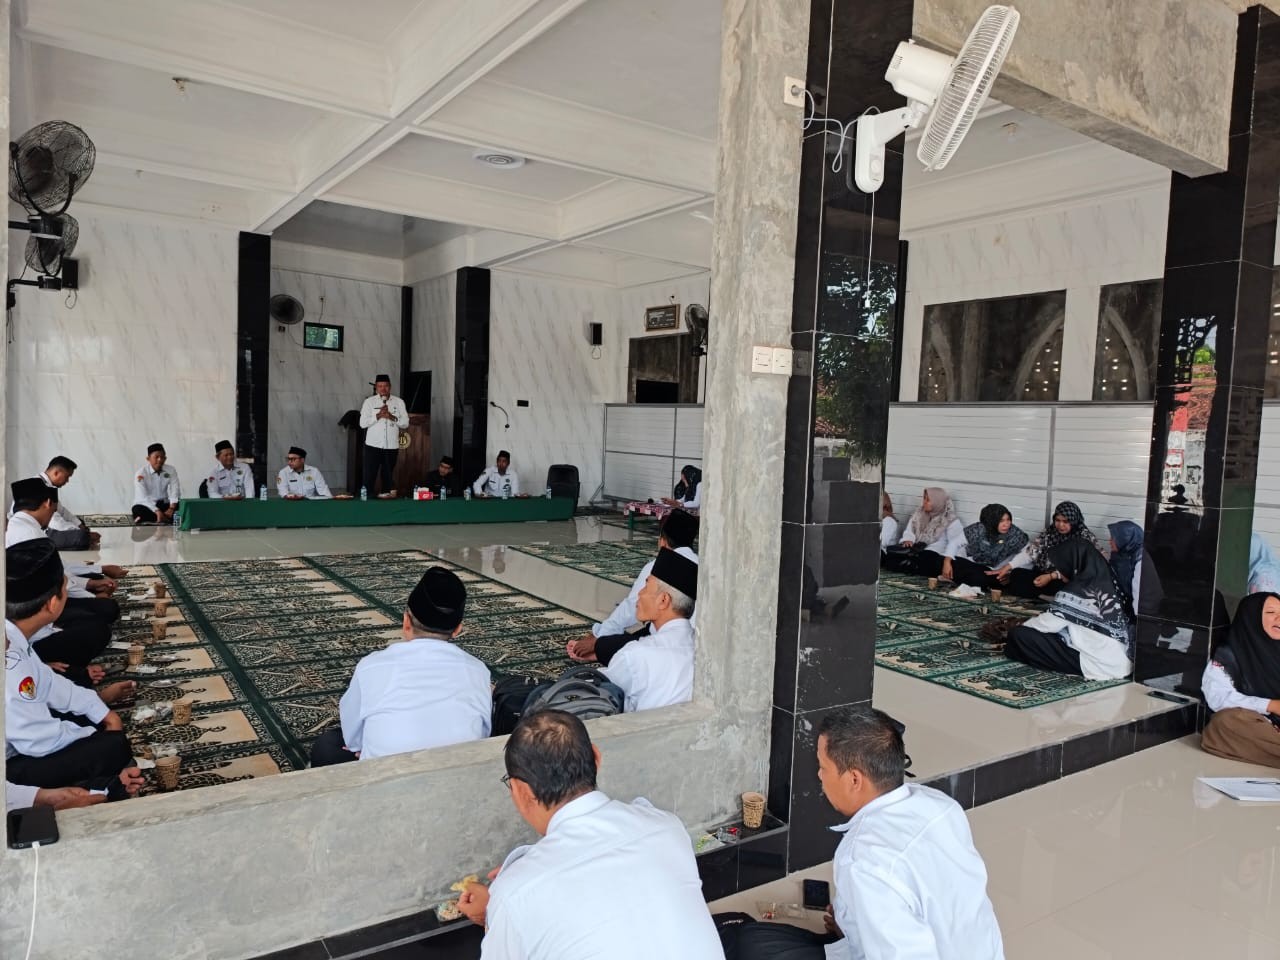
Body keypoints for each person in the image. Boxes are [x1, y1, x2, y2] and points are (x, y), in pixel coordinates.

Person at [730, 706, 1003, 960]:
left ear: (854, 779)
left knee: (751, 946)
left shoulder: (864, 860)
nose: (820, 776)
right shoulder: (940, 805)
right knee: (755, 937)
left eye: (823, 767)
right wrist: (851, 925)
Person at [456, 709, 724, 959]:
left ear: (522, 791)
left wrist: (493, 916)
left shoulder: (514, 894)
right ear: (596, 758)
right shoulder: (667, 827)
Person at [310, 567, 491, 766]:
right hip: (456, 779)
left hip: (383, 783)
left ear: (406, 622)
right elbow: (483, 734)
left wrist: (365, 746)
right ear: (458, 629)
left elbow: (353, 738)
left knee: (327, 746)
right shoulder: (478, 670)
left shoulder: (372, 666)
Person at [5, 540, 143, 799]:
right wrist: (93, 733)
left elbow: (50, 683)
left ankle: (100, 783)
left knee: (91, 719)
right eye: (66, 586)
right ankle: (98, 788)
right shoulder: (10, 660)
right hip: (10, 771)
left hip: (22, 737)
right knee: (112, 747)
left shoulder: (13, 637)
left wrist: (101, 712)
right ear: (53, 603)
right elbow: (37, 740)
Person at [566, 509, 698, 666]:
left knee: (617, 646)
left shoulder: (658, 568)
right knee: (641, 633)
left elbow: (630, 609)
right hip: (694, 640)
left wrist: (597, 639)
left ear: (662, 541)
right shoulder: (703, 566)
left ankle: (598, 652)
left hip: (671, 644)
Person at [1003, 540, 1132, 680]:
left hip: (1098, 664)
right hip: (1123, 662)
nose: (1060, 571)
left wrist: (1021, 625)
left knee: (1020, 635)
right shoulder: (1110, 582)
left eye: (1062, 566)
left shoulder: (1078, 590)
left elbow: (1047, 625)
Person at [599, 548, 698, 713]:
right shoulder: (706, 652)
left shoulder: (636, 655)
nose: (640, 593)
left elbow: (599, 693)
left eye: (646, 586)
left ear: (663, 600)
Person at [1201, 592, 1280, 768]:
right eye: (1270, 613)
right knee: (1226, 723)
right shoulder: (1229, 655)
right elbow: (1218, 698)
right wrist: (1271, 705)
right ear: (1251, 617)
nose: (1279, 618)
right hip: (1264, 726)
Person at [991, 500, 1103, 599]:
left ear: (1073, 521)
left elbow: (1083, 567)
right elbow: (1031, 552)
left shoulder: (1083, 537)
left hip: (1062, 578)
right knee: (1016, 575)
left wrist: (1051, 576)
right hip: (1043, 574)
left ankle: (1045, 596)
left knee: (1068, 587)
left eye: (1066, 521)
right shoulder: (1050, 532)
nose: (1060, 525)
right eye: (1058, 520)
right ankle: (1045, 597)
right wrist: (1008, 566)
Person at [879, 486, 964, 578]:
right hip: (916, 549)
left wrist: (949, 560)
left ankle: (913, 566)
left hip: (935, 552)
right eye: (924, 499)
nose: (924, 502)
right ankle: (912, 566)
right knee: (892, 559)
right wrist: (908, 540)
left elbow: (956, 542)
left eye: (928, 500)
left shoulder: (949, 520)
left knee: (926, 557)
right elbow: (909, 530)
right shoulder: (918, 514)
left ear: (937, 501)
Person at [19, 456, 99, 550]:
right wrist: (85, 534)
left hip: (44, 529)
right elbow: (54, 522)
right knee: (81, 537)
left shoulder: (47, 485)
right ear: (56, 472)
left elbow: (61, 511)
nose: (67, 481)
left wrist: (79, 525)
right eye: (67, 476)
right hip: (33, 535)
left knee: (80, 525)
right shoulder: (37, 486)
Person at [949, 503, 1030, 589]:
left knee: (980, 579)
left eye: (1008, 519)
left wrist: (1011, 572)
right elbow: (955, 543)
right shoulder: (978, 529)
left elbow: (1030, 554)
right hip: (974, 564)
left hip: (996, 572)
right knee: (947, 563)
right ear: (990, 522)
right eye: (1001, 521)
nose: (1006, 524)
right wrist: (947, 561)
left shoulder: (1014, 534)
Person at [359, 373, 409, 498]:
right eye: (380, 386)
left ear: (390, 387)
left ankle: (385, 503)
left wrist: (391, 417)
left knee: (387, 476)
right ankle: (367, 501)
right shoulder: (369, 402)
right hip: (373, 446)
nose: (383, 389)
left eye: (385, 386)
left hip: (391, 446)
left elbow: (405, 424)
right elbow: (362, 424)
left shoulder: (399, 402)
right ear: (376, 387)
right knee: (369, 475)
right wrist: (378, 416)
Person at [1107, 520, 1162, 618]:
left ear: (1124, 539)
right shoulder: (1122, 555)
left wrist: (1136, 621)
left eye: (1113, 538)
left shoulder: (1140, 561)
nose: (1109, 541)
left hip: (1143, 613)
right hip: (1127, 604)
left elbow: (1140, 596)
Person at [132, 443, 181, 524]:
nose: (160, 460)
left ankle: (159, 518)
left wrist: (171, 508)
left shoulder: (171, 470)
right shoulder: (141, 473)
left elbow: (175, 490)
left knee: (183, 506)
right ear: (148, 458)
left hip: (164, 504)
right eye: (156, 457)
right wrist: (157, 511)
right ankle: (164, 518)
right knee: (138, 510)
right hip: (147, 505)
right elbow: (142, 497)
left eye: (162, 457)